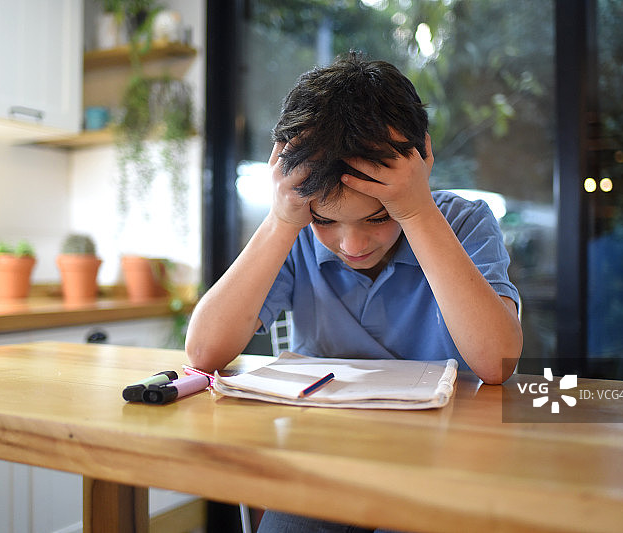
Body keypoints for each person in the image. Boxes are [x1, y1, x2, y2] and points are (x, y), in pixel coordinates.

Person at [185, 52, 522, 530]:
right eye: (327, 220)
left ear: (420, 161)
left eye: (378, 216)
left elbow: (497, 362)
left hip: (441, 466)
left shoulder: (462, 222)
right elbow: (203, 351)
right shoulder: (295, 230)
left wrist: (416, 212)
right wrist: (284, 219)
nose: (352, 243)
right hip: (317, 462)